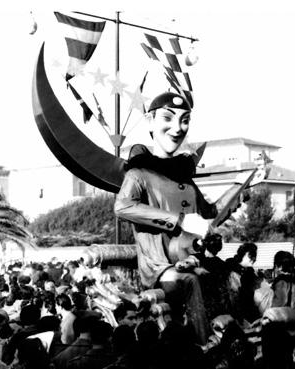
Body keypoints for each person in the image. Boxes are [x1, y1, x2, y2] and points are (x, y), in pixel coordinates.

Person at [114, 91, 258, 344]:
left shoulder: (185, 178)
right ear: (150, 122)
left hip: (190, 257)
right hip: (160, 266)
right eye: (168, 119)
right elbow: (123, 207)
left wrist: (240, 189)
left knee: (229, 276)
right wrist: (178, 219)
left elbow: (210, 215)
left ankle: (236, 335)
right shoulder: (138, 174)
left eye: (184, 120)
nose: (177, 128)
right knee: (190, 282)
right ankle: (202, 344)